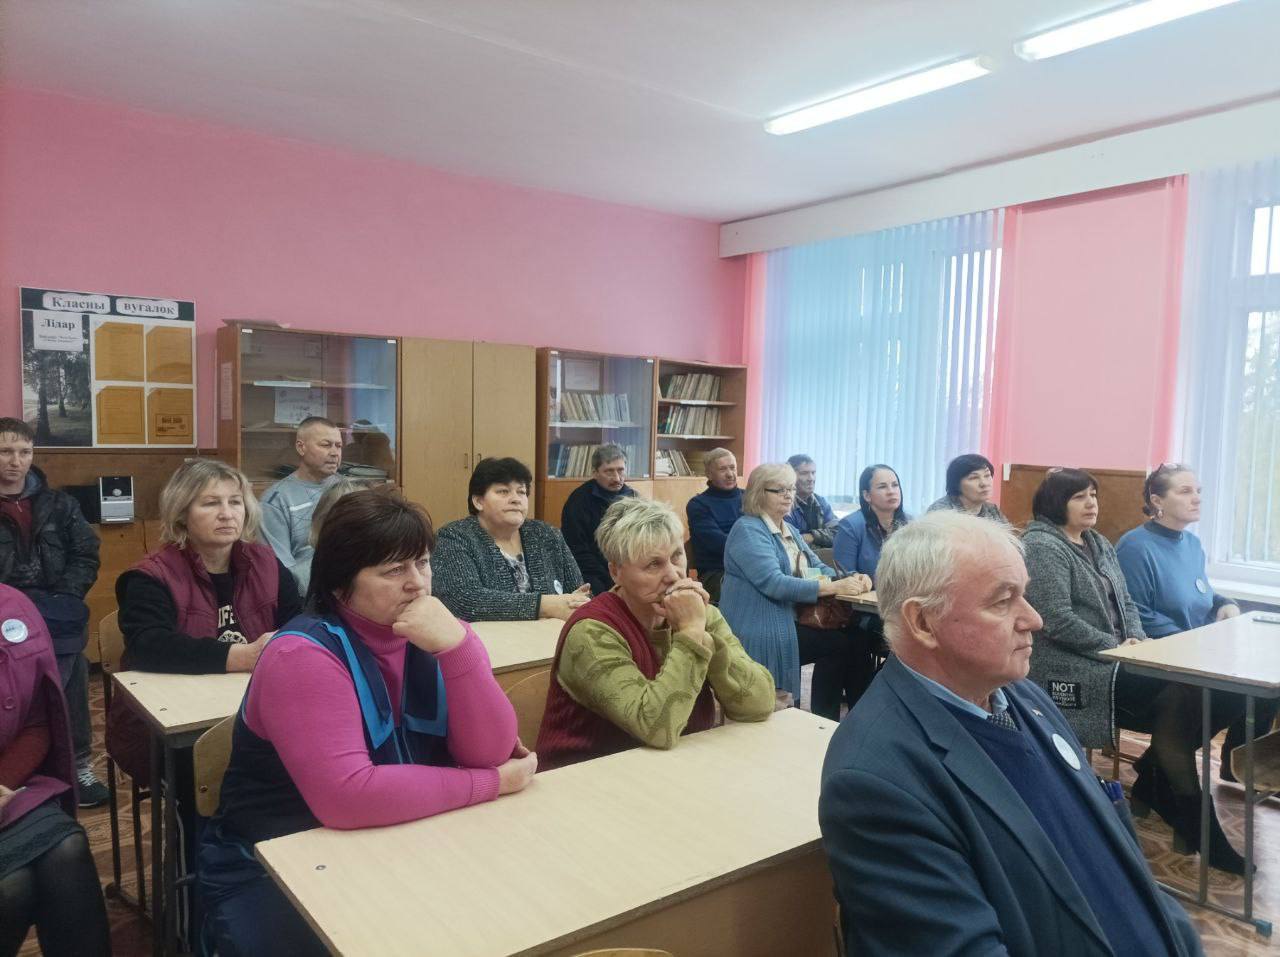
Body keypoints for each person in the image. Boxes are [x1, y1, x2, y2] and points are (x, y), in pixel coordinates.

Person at [819, 512, 1203, 957]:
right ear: (923, 623)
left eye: (1025, 595)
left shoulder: (1023, 697)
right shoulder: (877, 779)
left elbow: (1122, 865)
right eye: (1004, 601)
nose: (1034, 619)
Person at [199, 489, 535, 957]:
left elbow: (490, 752)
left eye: (422, 563)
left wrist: (460, 649)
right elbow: (347, 797)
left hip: (404, 833)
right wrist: (491, 784)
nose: (417, 584)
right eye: (393, 570)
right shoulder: (302, 654)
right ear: (341, 585)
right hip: (281, 857)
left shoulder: (440, 632)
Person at [1024, 468, 1245, 874]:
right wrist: (1114, 648)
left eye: (1093, 495)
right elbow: (1055, 619)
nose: (1091, 503)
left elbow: (1127, 604)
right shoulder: (1041, 546)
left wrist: (1140, 645)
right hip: (1075, 667)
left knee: (1219, 691)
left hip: (1119, 657)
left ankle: (1158, 779)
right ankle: (1194, 818)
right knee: (1182, 693)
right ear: (1056, 503)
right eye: (1079, 497)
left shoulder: (1097, 542)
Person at [536, 497, 774, 770]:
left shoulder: (698, 613)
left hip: (674, 767)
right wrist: (691, 635)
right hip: (588, 777)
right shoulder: (592, 631)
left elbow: (759, 704)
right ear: (616, 572)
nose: (673, 575)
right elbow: (656, 728)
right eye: (653, 564)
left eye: (677, 556)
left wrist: (705, 638)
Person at [1117, 464, 1261, 785]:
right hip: (1163, 660)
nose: (1196, 498)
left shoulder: (1192, 544)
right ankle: (1160, 767)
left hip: (1196, 655)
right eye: (1185, 491)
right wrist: (1195, 643)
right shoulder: (1135, 547)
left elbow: (1201, 593)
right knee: (1235, 692)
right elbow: (1136, 612)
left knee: (1259, 692)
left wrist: (1225, 603)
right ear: (1157, 501)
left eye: (1198, 491)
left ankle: (1235, 769)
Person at [0, 417, 106, 808]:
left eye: (24, 452)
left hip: (56, 606)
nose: (16, 461)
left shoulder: (60, 504)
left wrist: (68, 595)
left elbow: (85, 553)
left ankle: (78, 767)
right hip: (4, 615)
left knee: (70, 677)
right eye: (5, 452)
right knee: (19, 694)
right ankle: (17, 770)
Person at [0, 584, 110, 957]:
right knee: (11, 887)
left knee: (67, 849)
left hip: (6, 788)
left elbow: (36, 723)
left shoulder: (12, 608)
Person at [115, 458, 302, 678]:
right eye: (211, 503)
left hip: (252, 687)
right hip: (178, 693)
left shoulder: (266, 563)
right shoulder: (151, 576)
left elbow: (298, 626)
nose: (227, 514)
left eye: (235, 502)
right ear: (182, 514)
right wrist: (243, 656)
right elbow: (147, 647)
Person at [719, 464, 874, 719]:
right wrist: (833, 587)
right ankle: (823, 720)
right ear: (759, 493)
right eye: (779, 490)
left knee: (858, 639)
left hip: (792, 618)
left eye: (791, 489)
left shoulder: (788, 529)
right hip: (760, 626)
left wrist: (850, 577)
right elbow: (774, 583)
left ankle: (857, 720)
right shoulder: (747, 529)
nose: (788, 495)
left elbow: (817, 566)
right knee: (837, 645)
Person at [432, 457, 588, 621]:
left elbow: (580, 592)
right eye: (503, 491)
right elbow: (464, 601)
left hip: (552, 633)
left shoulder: (547, 534)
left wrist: (576, 603)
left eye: (521, 492)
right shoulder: (454, 537)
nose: (516, 499)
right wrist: (547, 605)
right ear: (478, 501)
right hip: (490, 636)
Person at [258, 416, 344, 592]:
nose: (335, 453)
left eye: (339, 446)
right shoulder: (276, 501)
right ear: (301, 447)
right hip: (306, 593)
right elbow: (282, 573)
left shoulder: (348, 489)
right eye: (326, 445)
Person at [559, 443, 637, 595]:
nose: (617, 478)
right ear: (595, 473)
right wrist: (611, 578)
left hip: (627, 567)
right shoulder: (578, 501)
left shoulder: (634, 497)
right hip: (591, 571)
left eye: (620, 470)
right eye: (609, 471)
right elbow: (576, 549)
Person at [832, 464, 910, 582]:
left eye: (895, 485)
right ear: (867, 495)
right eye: (882, 487)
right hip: (865, 593)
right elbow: (843, 575)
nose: (891, 491)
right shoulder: (850, 526)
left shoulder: (910, 524)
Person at [685, 448, 743, 602]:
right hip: (717, 572)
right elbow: (721, 544)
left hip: (752, 565)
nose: (730, 474)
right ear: (709, 474)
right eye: (723, 469)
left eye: (732, 468)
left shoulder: (750, 498)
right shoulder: (698, 505)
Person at [927, 452, 1008, 523]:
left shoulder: (992, 510)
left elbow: (1008, 536)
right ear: (956, 484)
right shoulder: (941, 511)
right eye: (974, 478)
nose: (984, 483)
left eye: (987, 475)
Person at [784, 454, 840, 548]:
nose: (811, 478)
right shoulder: (784, 502)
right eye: (804, 473)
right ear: (790, 476)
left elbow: (839, 533)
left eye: (813, 473)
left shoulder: (821, 502)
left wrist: (812, 536)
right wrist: (824, 538)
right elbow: (792, 542)